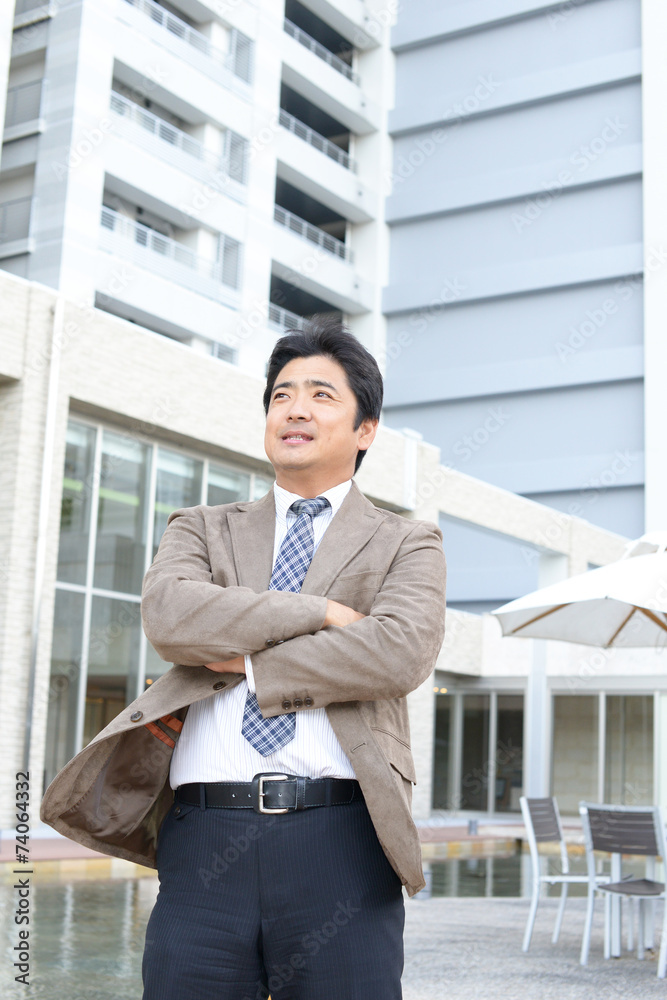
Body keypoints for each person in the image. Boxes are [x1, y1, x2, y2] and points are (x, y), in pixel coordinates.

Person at [40, 318, 446, 1000]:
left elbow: (397, 652)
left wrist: (255, 666)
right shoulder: (201, 527)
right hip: (204, 844)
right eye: (281, 395)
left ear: (366, 429)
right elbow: (172, 618)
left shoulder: (406, 542)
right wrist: (320, 612)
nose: (295, 408)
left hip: (342, 843)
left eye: (321, 395)